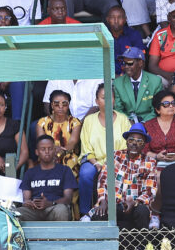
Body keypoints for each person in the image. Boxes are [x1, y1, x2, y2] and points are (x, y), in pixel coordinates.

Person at [88, 122, 156, 228]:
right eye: (131, 140)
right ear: (126, 142)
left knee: (143, 211)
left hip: (135, 206)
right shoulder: (115, 156)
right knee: (100, 212)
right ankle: (103, 244)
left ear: (144, 145)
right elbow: (103, 180)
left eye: (139, 141)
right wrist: (103, 200)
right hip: (114, 204)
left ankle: (142, 245)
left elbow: (150, 191)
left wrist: (135, 202)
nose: (134, 143)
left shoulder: (150, 162)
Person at [78, 82, 131, 217]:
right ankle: (85, 212)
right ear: (96, 101)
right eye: (103, 97)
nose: (107, 100)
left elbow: (127, 148)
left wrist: (111, 164)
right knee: (85, 174)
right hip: (94, 162)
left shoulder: (123, 120)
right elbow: (86, 149)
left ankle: (118, 212)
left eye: (110, 97)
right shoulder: (89, 121)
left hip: (118, 162)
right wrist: (96, 164)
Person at [16, 136, 77, 222]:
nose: (47, 152)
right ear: (37, 152)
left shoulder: (65, 170)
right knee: (15, 213)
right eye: (43, 149)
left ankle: (61, 236)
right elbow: (26, 199)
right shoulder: (30, 173)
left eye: (50, 148)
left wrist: (50, 203)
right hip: (34, 210)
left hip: (54, 208)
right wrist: (29, 203)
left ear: (55, 150)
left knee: (62, 210)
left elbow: (68, 199)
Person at [36, 90, 82, 173]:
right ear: (52, 105)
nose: (61, 106)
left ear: (68, 106)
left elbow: (72, 142)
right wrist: (53, 150)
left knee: (69, 163)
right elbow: (41, 143)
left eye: (64, 104)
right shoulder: (42, 122)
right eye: (56, 104)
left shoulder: (75, 122)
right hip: (47, 154)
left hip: (68, 155)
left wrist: (62, 151)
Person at [115, 46, 163, 122]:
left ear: (140, 63)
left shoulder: (155, 81)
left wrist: (143, 124)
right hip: (126, 123)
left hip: (150, 122)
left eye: (130, 63)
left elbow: (157, 109)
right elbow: (118, 109)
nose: (126, 67)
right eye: (124, 63)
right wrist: (129, 122)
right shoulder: (117, 83)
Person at [143, 90, 175, 163]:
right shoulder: (149, 125)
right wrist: (156, 156)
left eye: (173, 103)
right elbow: (144, 149)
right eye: (166, 104)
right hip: (155, 164)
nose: (171, 106)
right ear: (157, 109)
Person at [148, 4, 175, 78]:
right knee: (157, 81)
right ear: (168, 18)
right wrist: (169, 76)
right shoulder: (160, 35)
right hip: (164, 77)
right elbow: (152, 65)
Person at [105, 5, 145, 75]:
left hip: (130, 76)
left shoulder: (134, 35)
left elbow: (141, 60)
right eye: (112, 17)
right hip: (107, 77)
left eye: (119, 17)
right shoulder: (103, 35)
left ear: (125, 19)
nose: (116, 21)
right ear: (107, 19)